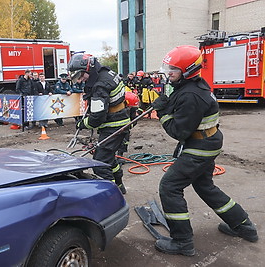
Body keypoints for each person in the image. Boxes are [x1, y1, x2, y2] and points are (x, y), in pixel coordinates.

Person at [151, 45, 258, 256]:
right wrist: (168, 100)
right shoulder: (192, 86)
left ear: (188, 71)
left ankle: (182, 242)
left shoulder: (191, 95)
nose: (168, 73)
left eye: (173, 69)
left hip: (199, 147)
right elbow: (181, 105)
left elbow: (178, 131)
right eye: (168, 67)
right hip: (207, 143)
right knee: (205, 187)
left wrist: (162, 111)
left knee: (169, 186)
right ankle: (244, 226)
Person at [68, 53, 130, 194]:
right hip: (120, 122)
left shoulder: (99, 85)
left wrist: (82, 124)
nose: (79, 81)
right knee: (109, 158)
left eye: (80, 76)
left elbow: (97, 118)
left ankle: (111, 195)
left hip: (113, 126)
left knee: (100, 163)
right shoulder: (106, 72)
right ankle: (119, 186)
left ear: (88, 69)